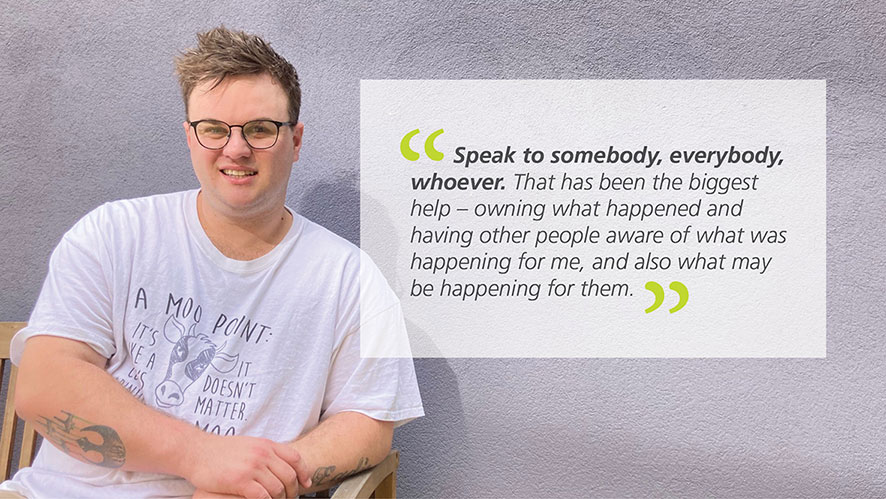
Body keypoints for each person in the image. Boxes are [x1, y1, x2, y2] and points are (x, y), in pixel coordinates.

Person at [0, 26, 423, 499]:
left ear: (296, 140)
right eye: (214, 129)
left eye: (261, 129)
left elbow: (368, 423)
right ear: (189, 136)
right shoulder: (114, 234)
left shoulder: (349, 278)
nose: (236, 148)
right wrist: (201, 457)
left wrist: (261, 480)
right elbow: (43, 386)